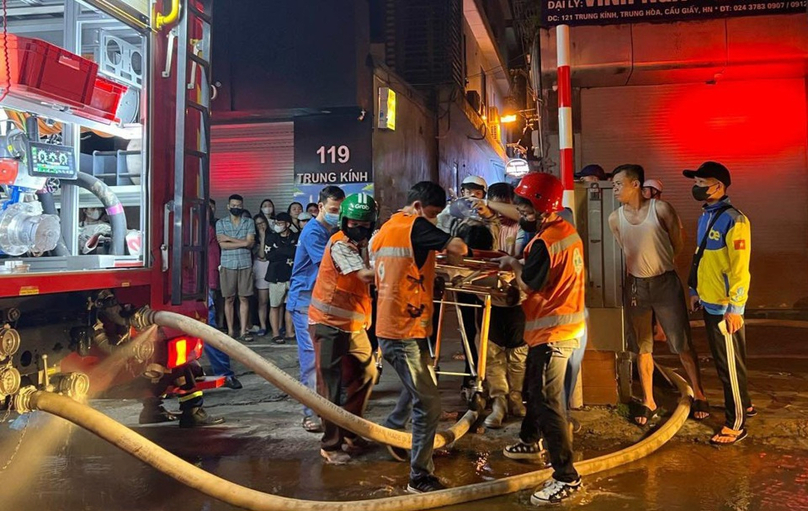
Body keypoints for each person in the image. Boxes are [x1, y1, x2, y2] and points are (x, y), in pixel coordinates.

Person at [371, 181, 469, 493]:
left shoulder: (386, 229)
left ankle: (394, 428)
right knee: (429, 404)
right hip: (401, 330)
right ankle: (420, 476)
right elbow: (458, 247)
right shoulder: (415, 226)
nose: (434, 220)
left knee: (423, 385)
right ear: (417, 207)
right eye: (432, 214)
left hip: (398, 325)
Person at [496, 172, 584, 505]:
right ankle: (530, 440)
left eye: (526, 209)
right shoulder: (562, 232)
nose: (523, 216)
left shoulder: (546, 242)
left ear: (543, 207)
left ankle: (566, 476)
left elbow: (529, 284)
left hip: (553, 333)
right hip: (553, 329)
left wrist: (510, 264)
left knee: (548, 402)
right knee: (534, 389)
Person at [608, 164, 709, 426]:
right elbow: (624, 247)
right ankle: (649, 400)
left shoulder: (660, 210)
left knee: (681, 341)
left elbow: (677, 242)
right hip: (636, 285)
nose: (615, 189)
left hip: (665, 282)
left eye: (619, 183)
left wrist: (662, 262)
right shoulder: (615, 218)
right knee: (642, 346)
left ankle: (698, 393)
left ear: (635, 184)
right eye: (614, 184)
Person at [684, 161, 753, 445]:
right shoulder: (707, 215)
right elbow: (703, 257)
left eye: (703, 183)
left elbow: (740, 269)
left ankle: (735, 423)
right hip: (710, 300)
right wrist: (696, 289)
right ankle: (745, 404)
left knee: (728, 367)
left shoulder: (735, 220)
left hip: (725, 307)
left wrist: (736, 310)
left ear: (720, 187)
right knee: (731, 361)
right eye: (697, 182)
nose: (697, 188)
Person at [309, 193, 378, 464]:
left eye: (364, 223)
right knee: (331, 387)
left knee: (367, 373)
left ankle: (351, 430)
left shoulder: (365, 244)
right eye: (353, 222)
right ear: (344, 221)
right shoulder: (340, 246)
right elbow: (363, 275)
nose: (358, 227)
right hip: (328, 326)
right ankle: (331, 444)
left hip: (354, 327)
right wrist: (398, 270)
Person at [454, 223, 527, 429]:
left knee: (517, 355)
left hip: (516, 308)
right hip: (490, 308)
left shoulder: (500, 260)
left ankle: (515, 397)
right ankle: (499, 401)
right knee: (491, 354)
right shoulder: (464, 264)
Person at [287, 186, 346, 432]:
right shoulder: (313, 232)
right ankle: (310, 413)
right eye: (333, 209)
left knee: (326, 357)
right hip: (304, 302)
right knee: (311, 359)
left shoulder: (331, 230)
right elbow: (328, 264)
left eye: (340, 210)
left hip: (319, 302)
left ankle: (327, 405)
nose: (337, 213)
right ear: (320, 207)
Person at [203, 200, 242, 389]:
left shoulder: (207, 228)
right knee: (209, 331)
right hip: (195, 287)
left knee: (209, 330)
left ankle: (224, 373)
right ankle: (224, 373)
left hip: (199, 287)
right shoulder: (198, 229)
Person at [216, 194, 256, 342]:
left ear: (242, 206)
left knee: (244, 298)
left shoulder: (249, 222)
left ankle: (244, 331)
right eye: (233, 205)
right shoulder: (221, 223)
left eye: (239, 206)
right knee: (229, 298)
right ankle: (231, 331)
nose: (236, 208)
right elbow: (222, 245)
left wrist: (230, 239)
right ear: (228, 206)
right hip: (227, 263)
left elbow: (250, 243)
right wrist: (242, 242)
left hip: (245, 263)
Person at [265, 212, 298, 344]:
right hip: (275, 276)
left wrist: (279, 250)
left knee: (290, 306)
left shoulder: (296, 237)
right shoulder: (271, 238)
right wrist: (286, 251)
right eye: (276, 223)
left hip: (292, 276)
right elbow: (269, 256)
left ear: (288, 224)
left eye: (280, 223)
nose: (277, 226)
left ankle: (290, 332)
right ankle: (276, 333)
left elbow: (295, 253)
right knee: (275, 305)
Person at [252, 213, 271, 337]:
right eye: (258, 224)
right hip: (261, 270)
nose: (261, 225)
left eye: (262, 222)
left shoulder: (274, 236)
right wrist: (262, 237)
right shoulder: (253, 239)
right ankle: (263, 326)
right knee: (263, 301)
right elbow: (262, 255)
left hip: (273, 269)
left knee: (275, 302)